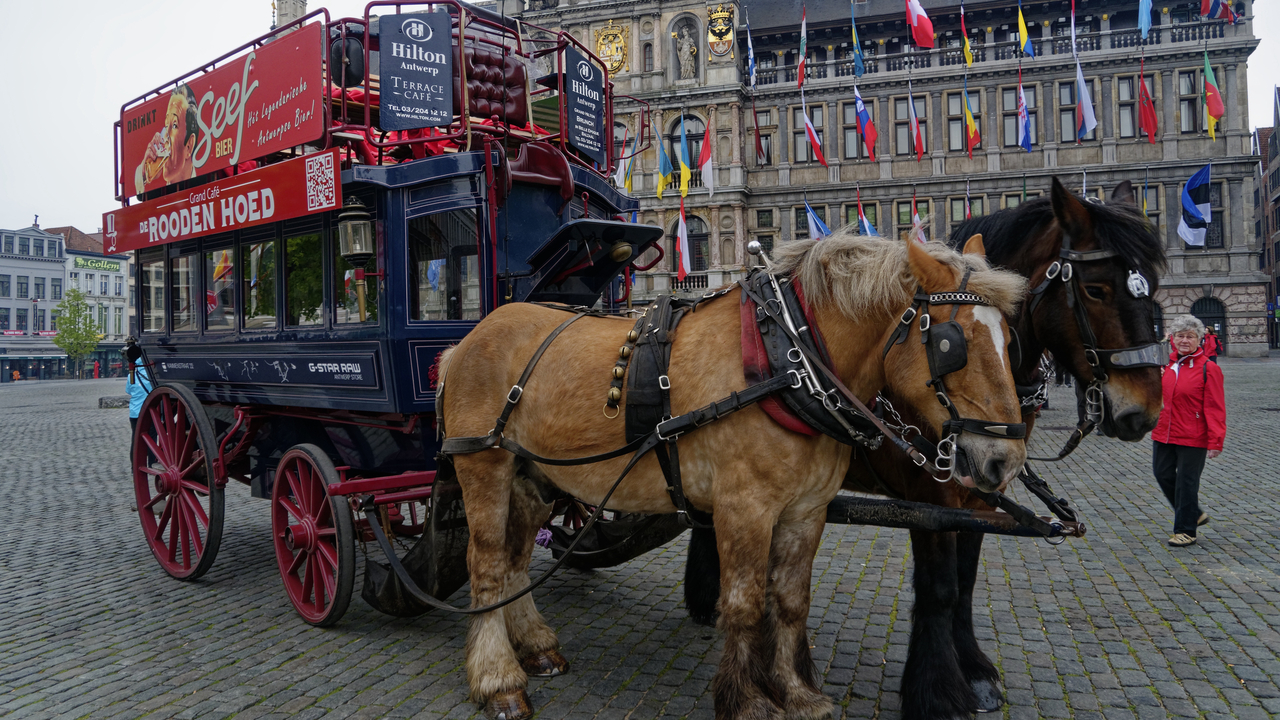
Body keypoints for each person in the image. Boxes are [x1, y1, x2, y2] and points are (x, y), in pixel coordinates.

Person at [1151, 315, 1225, 547]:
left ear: (1199, 340)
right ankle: (1193, 512)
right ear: (1172, 338)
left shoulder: (1208, 368)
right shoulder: (1164, 365)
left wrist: (1215, 440)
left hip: (1194, 435)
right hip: (1164, 430)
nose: (1185, 340)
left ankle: (1186, 530)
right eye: (1180, 336)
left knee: (1186, 482)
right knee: (1162, 473)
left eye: (1190, 336)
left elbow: (1215, 406)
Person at [126, 357, 153, 434]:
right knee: (151, 436)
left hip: (134, 412)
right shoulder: (152, 376)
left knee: (135, 437)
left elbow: (128, 391)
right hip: (149, 412)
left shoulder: (131, 376)